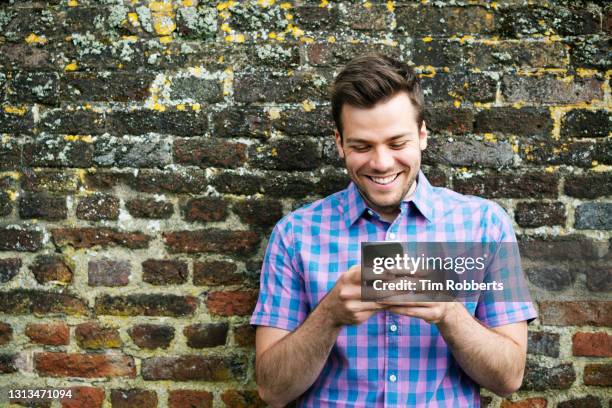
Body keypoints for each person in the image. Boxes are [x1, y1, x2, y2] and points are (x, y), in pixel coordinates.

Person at [250, 54, 537, 407]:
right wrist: (329, 316)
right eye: (361, 146)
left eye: (397, 143)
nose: (382, 163)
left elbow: (509, 378)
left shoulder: (484, 226)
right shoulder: (295, 236)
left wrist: (449, 313)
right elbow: (272, 391)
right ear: (339, 143)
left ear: (422, 136)